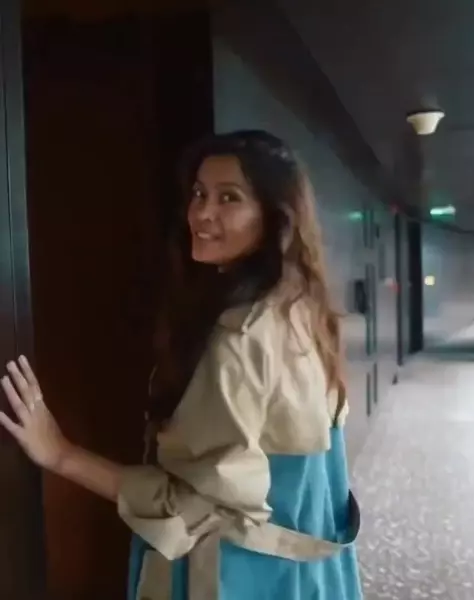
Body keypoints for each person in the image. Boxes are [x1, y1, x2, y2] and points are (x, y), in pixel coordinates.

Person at [0, 130, 363, 600]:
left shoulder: (240, 338)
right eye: (198, 193)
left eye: (229, 198)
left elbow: (190, 505)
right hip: (306, 577)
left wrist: (61, 455)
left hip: (241, 577)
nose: (202, 213)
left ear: (275, 216)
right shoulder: (303, 309)